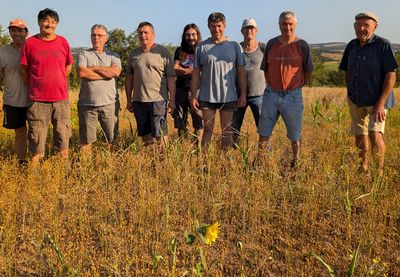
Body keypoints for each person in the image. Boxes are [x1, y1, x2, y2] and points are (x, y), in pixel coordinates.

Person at [339, 12, 398, 175]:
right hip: (356, 99)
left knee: (374, 134)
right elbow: (346, 70)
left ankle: (378, 172)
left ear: (375, 27)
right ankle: (363, 168)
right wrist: (349, 92)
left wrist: (381, 103)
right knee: (359, 134)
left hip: (377, 100)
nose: (361, 28)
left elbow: (391, 75)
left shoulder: (383, 45)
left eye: (366, 25)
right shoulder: (351, 45)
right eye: (358, 25)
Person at [257, 10, 313, 168]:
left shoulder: (302, 45)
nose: (287, 27)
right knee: (264, 130)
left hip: (292, 96)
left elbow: (308, 70)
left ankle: (296, 161)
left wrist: (298, 85)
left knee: (295, 133)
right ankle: (260, 161)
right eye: (284, 24)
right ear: (279, 25)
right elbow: (266, 68)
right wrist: (272, 84)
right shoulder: (271, 44)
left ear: (295, 25)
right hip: (271, 94)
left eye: (290, 24)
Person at [20, 8, 74, 162]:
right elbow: (23, 70)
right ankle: (35, 179)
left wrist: (58, 81)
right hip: (38, 100)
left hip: (60, 99)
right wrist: (35, 86)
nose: (49, 24)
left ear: (56, 24)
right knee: (37, 140)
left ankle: (62, 174)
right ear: (39, 22)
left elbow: (68, 66)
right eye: (46, 21)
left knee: (63, 137)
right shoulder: (30, 43)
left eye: (53, 22)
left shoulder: (63, 42)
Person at [191, 12, 247, 148]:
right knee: (208, 128)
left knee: (227, 131)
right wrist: (193, 96)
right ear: (208, 26)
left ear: (224, 25)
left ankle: (225, 162)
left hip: (229, 96)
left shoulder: (234, 46)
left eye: (219, 26)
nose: (216, 29)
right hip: (206, 96)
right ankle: (205, 162)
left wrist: (243, 94)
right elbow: (196, 73)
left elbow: (241, 71)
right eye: (213, 26)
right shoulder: (201, 47)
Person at [125, 22, 175, 148]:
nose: (143, 35)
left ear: (153, 34)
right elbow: (129, 78)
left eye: (146, 32)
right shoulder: (134, 54)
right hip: (138, 100)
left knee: (160, 134)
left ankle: (163, 162)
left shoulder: (163, 52)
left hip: (158, 100)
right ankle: (151, 161)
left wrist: (172, 100)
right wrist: (128, 100)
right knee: (145, 135)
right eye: (140, 33)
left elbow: (170, 77)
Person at [77, 24, 121, 153]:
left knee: (111, 140)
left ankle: (112, 169)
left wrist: (93, 68)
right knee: (86, 142)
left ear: (106, 38)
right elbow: (82, 73)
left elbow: (116, 72)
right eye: (93, 35)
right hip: (87, 104)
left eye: (100, 35)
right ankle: (86, 171)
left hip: (109, 104)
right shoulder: (83, 54)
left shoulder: (114, 56)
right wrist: (107, 73)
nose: (96, 37)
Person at [231, 18, 266, 143]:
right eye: (246, 28)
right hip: (239, 95)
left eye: (251, 28)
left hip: (259, 95)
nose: (249, 31)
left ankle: (265, 155)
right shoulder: (237, 49)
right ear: (242, 31)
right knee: (233, 128)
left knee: (263, 128)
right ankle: (233, 153)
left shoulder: (263, 48)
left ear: (256, 31)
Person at [0, 19, 29, 164]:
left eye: (20, 30)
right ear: (10, 32)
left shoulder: (32, 49)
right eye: (13, 30)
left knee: (36, 133)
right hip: (13, 100)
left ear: (26, 33)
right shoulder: (2, 52)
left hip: (34, 100)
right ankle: (21, 163)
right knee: (20, 133)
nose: (16, 33)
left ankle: (37, 160)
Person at [172, 23, 203, 140]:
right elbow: (174, 68)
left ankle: (199, 149)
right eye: (188, 35)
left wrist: (183, 70)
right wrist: (192, 70)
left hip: (198, 90)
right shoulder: (180, 50)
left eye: (193, 34)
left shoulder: (202, 50)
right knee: (180, 121)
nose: (191, 37)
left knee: (198, 121)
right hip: (180, 89)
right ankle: (183, 148)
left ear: (198, 35)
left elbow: (204, 70)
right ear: (184, 36)